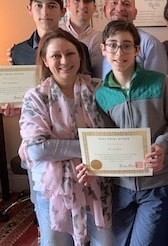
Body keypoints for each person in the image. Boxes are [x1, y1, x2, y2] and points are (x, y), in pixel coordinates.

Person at [18, 29, 114, 245]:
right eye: (55, 55)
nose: (64, 61)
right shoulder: (35, 97)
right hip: (54, 190)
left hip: (96, 181)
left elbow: (115, 136)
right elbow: (36, 149)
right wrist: (89, 147)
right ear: (45, 60)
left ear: (80, 55)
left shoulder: (99, 88)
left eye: (70, 53)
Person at [86, 20, 168, 245]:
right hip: (119, 187)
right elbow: (103, 138)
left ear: (137, 50)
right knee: (120, 241)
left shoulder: (158, 82)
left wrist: (162, 145)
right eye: (113, 45)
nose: (119, 52)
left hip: (157, 183)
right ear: (103, 49)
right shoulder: (101, 94)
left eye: (127, 45)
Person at [10, 0, 93, 73]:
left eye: (51, 6)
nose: (45, 12)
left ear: (62, 12)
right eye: (39, 5)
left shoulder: (78, 48)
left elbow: (87, 83)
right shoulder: (18, 52)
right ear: (29, 9)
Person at [100, 0, 168, 77]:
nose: (120, 8)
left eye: (126, 4)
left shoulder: (150, 44)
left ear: (135, 13)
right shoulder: (95, 42)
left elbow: (159, 84)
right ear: (105, 10)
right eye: (113, 3)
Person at [60, 0, 103, 78]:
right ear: (68, 5)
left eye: (87, 1)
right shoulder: (58, 34)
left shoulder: (100, 38)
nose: (82, 5)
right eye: (77, 0)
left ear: (94, 7)